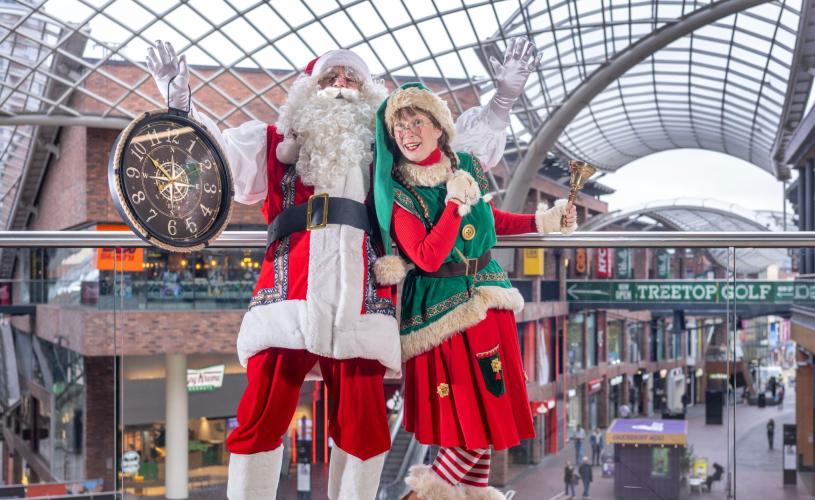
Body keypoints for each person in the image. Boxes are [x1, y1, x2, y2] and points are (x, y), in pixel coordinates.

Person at [148, 37, 540, 499]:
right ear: (307, 91)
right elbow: (212, 161)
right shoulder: (271, 143)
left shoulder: (390, 153)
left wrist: (502, 101)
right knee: (260, 415)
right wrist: (180, 104)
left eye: (351, 77)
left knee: (364, 424)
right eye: (330, 77)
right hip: (287, 301)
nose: (340, 84)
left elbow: (456, 154)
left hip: (362, 303)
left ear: (368, 93)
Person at [372, 79, 578, 497]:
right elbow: (427, 256)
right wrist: (453, 205)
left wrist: (542, 221)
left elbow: (491, 222)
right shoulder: (399, 189)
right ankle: (418, 495)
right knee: (468, 428)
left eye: (416, 122)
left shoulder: (467, 164)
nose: (408, 133)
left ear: (438, 127)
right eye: (400, 127)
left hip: (488, 298)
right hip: (440, 312)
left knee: (483, 422)